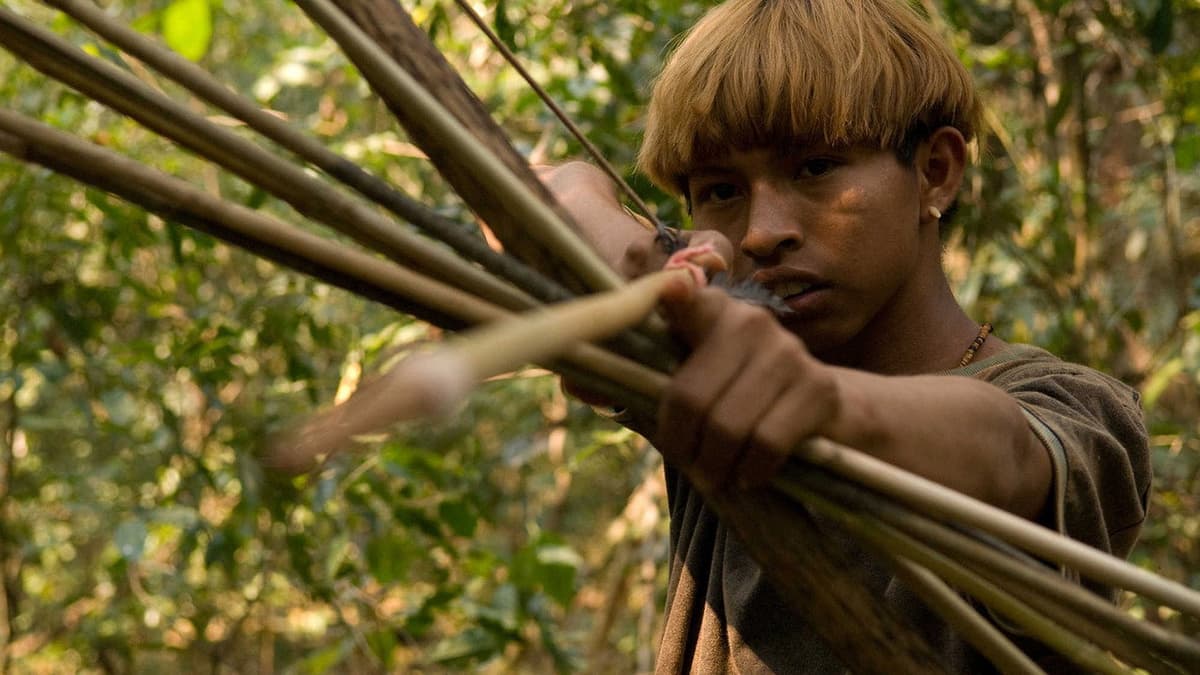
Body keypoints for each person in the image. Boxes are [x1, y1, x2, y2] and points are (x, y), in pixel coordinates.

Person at [540, 0, 1151, 671]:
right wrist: (636, 262)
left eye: (814, 168)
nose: (761, 232)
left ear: (935, 171)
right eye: (720, 189)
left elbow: (1006, 451)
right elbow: (548, 192)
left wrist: (823, 405)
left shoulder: (1080, 412)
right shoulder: (705, 359)